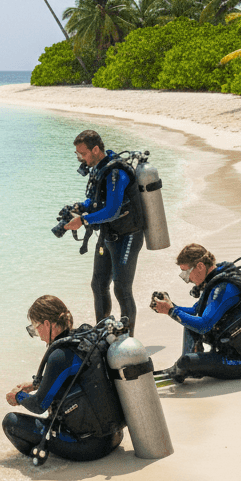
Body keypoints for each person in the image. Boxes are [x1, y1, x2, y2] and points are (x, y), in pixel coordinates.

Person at [2, 295, 124, 462]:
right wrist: (36, 384)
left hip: (89, 447)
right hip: (114, 436)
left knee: (11, 422)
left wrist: (18, 396)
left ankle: (35, 463)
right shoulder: (83, 342)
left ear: (47, 324)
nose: (38, 335)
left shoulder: (59, 355)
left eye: (36, 328)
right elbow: (79, 378)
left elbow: (39, 405)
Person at [61, 130, 144, 334]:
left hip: (128, 236)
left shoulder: (116, 172)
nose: (80, 158)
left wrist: (83, 220)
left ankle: (127, 339)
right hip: (108, 234)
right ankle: (102, 333)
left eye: (83, 153)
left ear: (96, 149)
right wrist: (81, 206)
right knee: (98, 285)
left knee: (121, 290)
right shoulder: (99, 169)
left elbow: (112, 209)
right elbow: (97, 200)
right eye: (77, 154)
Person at [151, 243, 241, 382]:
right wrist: (170, 306)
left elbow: (204, 325)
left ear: (200, 266)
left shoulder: (225, 287)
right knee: (189, 324)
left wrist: (171, 311)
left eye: (186, 272)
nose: (187, 279)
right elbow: (195, 311)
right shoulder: (214, 281)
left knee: (187, 362)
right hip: (231, 350)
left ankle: (183, 367)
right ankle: (183, 368)